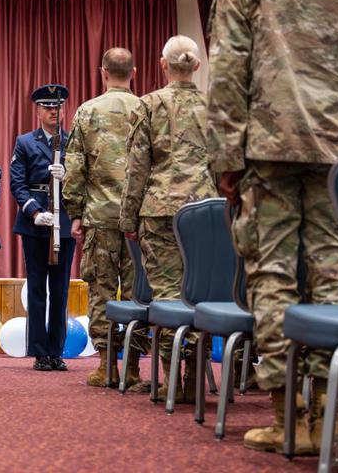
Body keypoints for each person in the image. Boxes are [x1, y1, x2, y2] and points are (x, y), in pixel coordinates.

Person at [206, 0, 338, 454]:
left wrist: (226, 161)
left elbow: (228, 71)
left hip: (269, 151)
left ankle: (290, 417)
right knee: (336, 278)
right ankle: (335, 417)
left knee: (274, 278)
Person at [118, 35, 217, 403]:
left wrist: (127, 217)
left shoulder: (149, 104)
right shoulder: (214, 107)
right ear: (197, 66)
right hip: (207, 212)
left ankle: (172, 374)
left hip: (159, 211)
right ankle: (194, 374)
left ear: (163, 66)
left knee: (168, 295)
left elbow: (136, 168)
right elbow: (225, 164)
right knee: (202, 295)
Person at [63, 48, 150, 391]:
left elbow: (74, 168)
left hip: (99, 215)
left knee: (101, 291)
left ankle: (105, 366)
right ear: (134, 71)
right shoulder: (146, 109)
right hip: (139, 220)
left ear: (102, 72)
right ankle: (131, 370)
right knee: (137, 293)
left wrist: (75, 213)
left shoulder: (87, 111)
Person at [10, 85, 75, 371]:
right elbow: (17, 183)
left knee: (60, 289)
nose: (53, 111)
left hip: (64, 223)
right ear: (37, 111)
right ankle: (39, 352)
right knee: (37, 288)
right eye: (47, 107)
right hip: (35, 223)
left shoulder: (73, 142)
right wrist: (34, 212)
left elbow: (84, 182)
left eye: (57, 107)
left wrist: (69, 175)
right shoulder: (25, 142)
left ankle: (56, 351)